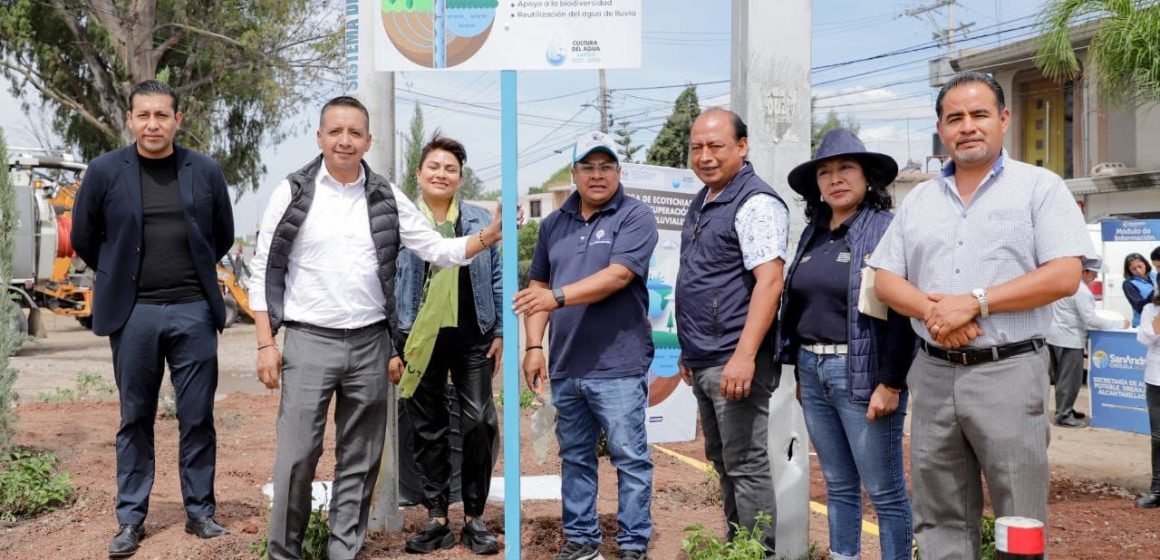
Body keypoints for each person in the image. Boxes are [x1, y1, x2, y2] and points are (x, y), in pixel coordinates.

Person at [249, 96, 504, 560]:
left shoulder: (384, 193)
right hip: (308, 340)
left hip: (370, 342)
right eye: (335, 131)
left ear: (369, 140)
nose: (345, 140)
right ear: (320, 137)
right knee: (297, 458)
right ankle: (283, 554)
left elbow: (434, 248)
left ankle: (342, 552)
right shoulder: (294, 191)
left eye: (355, 133)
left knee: (360, 462)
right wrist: (266, 342)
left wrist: (487, 236)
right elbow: (264, 267)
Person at [869, 71, 1096, 559]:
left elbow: (1064, 274)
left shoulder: (1040, 188)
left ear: (1004, 119)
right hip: (932, 373)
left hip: (1009, 371)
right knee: (939, 512)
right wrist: (937, 313)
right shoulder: (920, 199)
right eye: (955, 118)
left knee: (1019, 512)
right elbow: (885, 279)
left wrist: (974, 302)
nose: (967, 126)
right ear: (941, 128)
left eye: (979, 114)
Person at [70, 80, 235, 557]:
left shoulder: (203, 171)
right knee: (135, 416)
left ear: (177, 120)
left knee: (197, 415)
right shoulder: (104, 171)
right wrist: (119, 272)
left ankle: (200, 511)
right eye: (144, 115)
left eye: (162, 115)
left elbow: (221, 234)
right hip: (133, 312)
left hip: (193, 310)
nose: (153, 124)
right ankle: (130, 519)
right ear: (130, 119)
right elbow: (85, 235)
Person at [516, 131, 658, 560]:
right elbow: (537, 284)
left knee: (629, 459)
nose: (597, 175)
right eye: (588, 167)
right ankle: (581, 541)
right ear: (574, 173)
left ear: (618, 171)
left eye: (606, 166)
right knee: (575, 457)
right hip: (566, 363)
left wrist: (558, 297)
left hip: (618, 364)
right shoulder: (554, 224)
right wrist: (534, 345)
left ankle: (633, 544)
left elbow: (618, 276)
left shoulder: (635, 216)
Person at [778, 128, 916, 560]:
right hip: (814, 371)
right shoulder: (813, 233)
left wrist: (891, 383)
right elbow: (799, 308)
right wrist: (802, 371)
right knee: (837, 483)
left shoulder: (886, 230)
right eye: (825, 172)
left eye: (845, 169)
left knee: (884, 490)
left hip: (865, 375)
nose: (835, 179)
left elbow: (902, 314)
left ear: (868, 177)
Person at [675, 108, 787, 557]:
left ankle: (758, 552)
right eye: (697, 147)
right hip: (706, 357)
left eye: (716, 146)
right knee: (723, 461)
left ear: (742, 147)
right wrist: (690, 350)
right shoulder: (705, 199)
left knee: (746, 464)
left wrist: (743, 356)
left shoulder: (755, 202)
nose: (705, 156)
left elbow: (770, 281)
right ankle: (739, 545)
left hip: (735, 358)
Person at [389, 134, 502, 555]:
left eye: (450, 168)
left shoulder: (478, 220)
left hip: (473, 336)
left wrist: (501, 332)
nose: (441, 174)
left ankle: (474, 517)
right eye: (433, 166)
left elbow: (496, 273)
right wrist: (390, 345)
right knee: (427, 427)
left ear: (460, 177)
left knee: (478, 423)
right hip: (416, 338)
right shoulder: (401, 222)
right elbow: (382, 283)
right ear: (418, 173)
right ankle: (436, 517)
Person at [1047, 260, 1127, 428]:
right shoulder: (1081, 291)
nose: (1096, 276)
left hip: (1054, 337)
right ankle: (1063, 415)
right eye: (1093, 273)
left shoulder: (1064, 285)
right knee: (1070, 380)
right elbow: (1090, 319)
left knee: (1061, 378)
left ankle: (1065, 409)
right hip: (1070, 339)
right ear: (1083, 271)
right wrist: (1120, 324)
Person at [1135, 291, 1160, 509]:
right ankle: (1157, 490)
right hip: (1157, 379)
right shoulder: (1150, 310)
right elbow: (1143, 338)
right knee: (1158, 437)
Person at [1123, 253, 1156, 328]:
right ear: (1129, 271)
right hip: (1143, 325)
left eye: (1140, 266)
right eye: (1133, 269)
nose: (1138, 271)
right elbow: (1140, 308)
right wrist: (1156, 290)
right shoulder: (1128, 284)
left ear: (1145, 264)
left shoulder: (1155, 275)